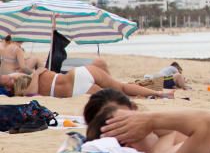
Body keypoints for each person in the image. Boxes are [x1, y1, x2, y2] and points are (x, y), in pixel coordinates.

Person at [0, 62, 173, 99]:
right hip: (76, 78)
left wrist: (36, 71)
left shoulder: (18, 81)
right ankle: (160, 93)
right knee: (121, 88)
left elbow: (31, 87)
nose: (8, 76)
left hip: (75, 84)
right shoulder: (20, 87)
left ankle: (160, 94)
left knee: (119, 91)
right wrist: (38, 73)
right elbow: (32, 90)